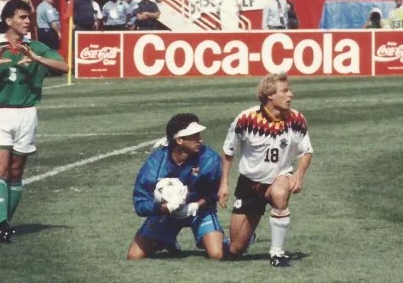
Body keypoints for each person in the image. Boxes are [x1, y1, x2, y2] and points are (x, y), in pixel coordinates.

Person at [0, 0, 68, 243]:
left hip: (27, 113)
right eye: (22, 17)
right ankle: (1, 225)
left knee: (16, 172)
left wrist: (38, 59)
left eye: (29, 18)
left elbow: (64, 66)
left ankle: (3, 223)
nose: (28, 22)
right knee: (0, 169)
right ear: (8, 21)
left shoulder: (36, 46)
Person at [219, 72, 313, 267]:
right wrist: (224, 184)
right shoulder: (246, 119)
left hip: (280, 177)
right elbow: (228, 152)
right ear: (270, 95)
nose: (291, 95)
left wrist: (299, 174)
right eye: (285, 91)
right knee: (235, 250)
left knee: (279, 193)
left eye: (290, 90)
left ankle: (277, 253)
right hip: (250, 183)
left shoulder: (296, 119)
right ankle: (246, 238)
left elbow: (307, 152)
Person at [127, 113, 226, 260]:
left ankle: (232, 241)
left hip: (199, 211)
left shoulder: (209, 158)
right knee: (134, 256)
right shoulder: (155, 163)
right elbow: (140, 202)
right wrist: (164, 208)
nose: (201, 139)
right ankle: (166, 239)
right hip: (165, 214)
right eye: (195, 136)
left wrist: (195, 206)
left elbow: (214, 191)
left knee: (217, 254)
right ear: (179, 140)